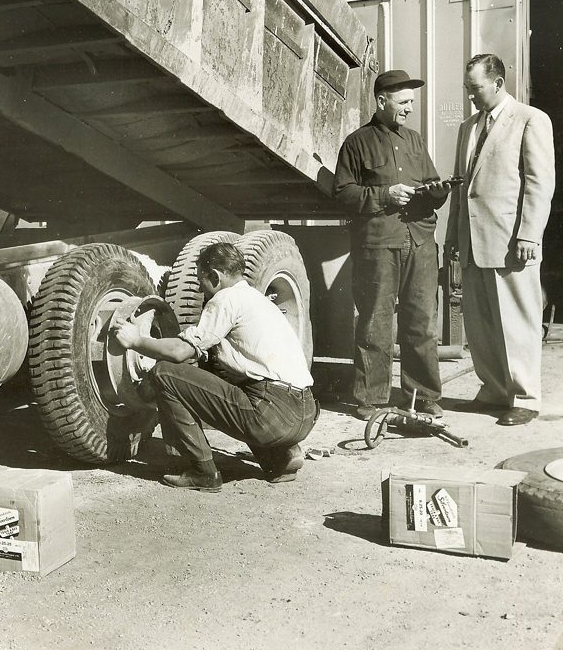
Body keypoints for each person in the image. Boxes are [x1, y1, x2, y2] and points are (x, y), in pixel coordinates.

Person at [111, 242, 318, 491]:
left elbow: (179, 353)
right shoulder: (258, 301)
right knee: (219, 369)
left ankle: (202, 472)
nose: (201, 288)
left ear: (215, 276)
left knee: (164, 374)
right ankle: (280, 457)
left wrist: (136, 340)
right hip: (304, 413)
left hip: (270, 412)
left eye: (201, 281)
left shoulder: (226, 299)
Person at [333, 69, 454, 420]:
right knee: (376, 322)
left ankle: (424, 395)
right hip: (378, 244)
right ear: (381, 100)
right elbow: (342, 193)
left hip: (419, 242)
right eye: (403, 102)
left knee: (421, 321)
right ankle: (370, 399)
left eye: (412, 102)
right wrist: (385, 194)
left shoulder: (415, 141)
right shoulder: (356, 143)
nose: (409, 109)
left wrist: (439, 190)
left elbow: (431, 183)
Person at [446, 53, 555, 426]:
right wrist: (453, 238)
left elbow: (540, 184)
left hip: (512, 242)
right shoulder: (467, 128)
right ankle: (493, 390)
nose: (470, 97)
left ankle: (525, 396)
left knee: (517, 321)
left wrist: (529, 234)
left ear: (497, 83)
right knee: (481, 323)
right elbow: (463, 189)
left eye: (475, 89)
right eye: (467, 89)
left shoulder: (530, 120)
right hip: (473, 242)